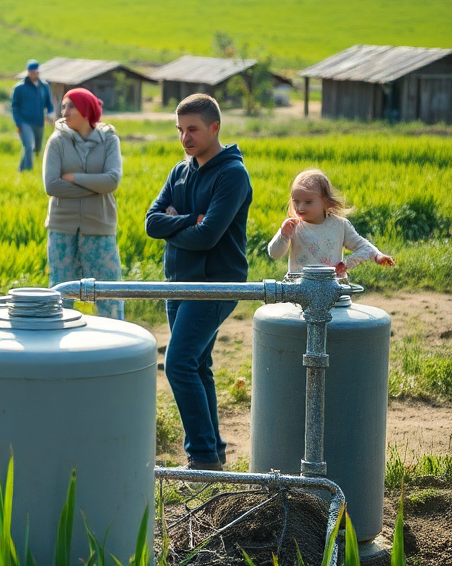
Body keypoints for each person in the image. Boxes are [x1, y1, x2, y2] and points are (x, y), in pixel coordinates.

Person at [145, 94, 253, 471]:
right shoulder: (180, 171)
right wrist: (191, 220)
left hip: (216, 283)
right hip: (177, 282)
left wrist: (177, 224)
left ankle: (202, 455)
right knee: (198, 365)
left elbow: (209, 238)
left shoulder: (232, 174)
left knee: (178, 363)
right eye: (180, 130)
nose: (185, 137)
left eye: (192, 129)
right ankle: (214, 450)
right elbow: (151, 222)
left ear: (214, 127)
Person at [42, 88, 125, 320]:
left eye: (71, 106)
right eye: (63, 106)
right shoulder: (57, 141)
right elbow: (52, 186)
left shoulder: (109, 139)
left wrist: (74, 177)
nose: (64, 112)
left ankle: (117, 340)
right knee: (60, 291)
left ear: (87, 111)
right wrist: (94, 187)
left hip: (99, 225)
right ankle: (60, 344)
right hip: (62, 227)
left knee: (108, 290)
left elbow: (111, 181)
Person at [267, 169, 395, 279]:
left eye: (308, 202)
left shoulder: (339, 225)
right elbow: (274, 253)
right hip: (299, 290)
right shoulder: (292, 227)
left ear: (326, 202)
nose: (300, 207)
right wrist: (283, 236)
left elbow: (362, 246)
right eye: (296, 201)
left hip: (332, 289)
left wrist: (375, 256)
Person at [11, 59, 53, 172]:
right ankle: (28, 171)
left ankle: (21, 169)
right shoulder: (20, 88)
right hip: (25, 122)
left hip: (39, 122)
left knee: (37, 149)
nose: (35, 74)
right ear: (28, 72)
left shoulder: (44, 86)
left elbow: (49, 104)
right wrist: (18, 122)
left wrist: (50, 114)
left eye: (37, 72)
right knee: (29, 146)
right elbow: (14, 106)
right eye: (32, 72)